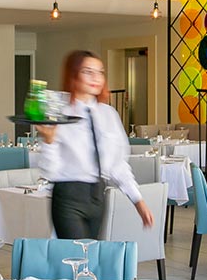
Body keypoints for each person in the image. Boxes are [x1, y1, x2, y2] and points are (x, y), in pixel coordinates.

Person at [35, 50, 154, 240]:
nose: (96, 78)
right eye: (88, 72)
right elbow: (50, 172)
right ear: (73, 75)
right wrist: (49, 141)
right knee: (77, 254)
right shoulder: (59, 113)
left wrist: (138, 201)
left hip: (98, 197)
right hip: (68, 197)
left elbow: (118, 165)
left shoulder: (109, 114)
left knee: (91, 253)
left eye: (100, 72)